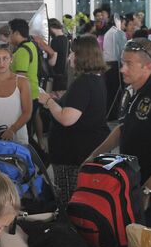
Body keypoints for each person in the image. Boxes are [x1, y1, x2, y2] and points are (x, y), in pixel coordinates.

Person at [88, 39, 151, 228]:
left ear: (147, 66)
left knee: (149, 241)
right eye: (123, 63)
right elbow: (123, 128)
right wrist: (94, 155)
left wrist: (147, 190)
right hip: (133, 181)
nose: (122, 69)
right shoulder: (133, 92)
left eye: (128, 64)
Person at [38, 36, 109, 206]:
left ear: (82, 56)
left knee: (71, 200)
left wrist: (48, 101)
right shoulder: (96, 79)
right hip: (82, 150)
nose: (69, 56)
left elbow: (67, 119)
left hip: (73, 154)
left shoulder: (83, 83)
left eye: (72, 52)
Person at [8, 19, 43, 141]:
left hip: (25, 95)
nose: (9, 36)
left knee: (25, 132)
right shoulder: (31, 44)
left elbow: (21, 77)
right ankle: (40, 146)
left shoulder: (22, 51)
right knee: (32, 123)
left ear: (17, 33)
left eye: (10, 32)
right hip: (33, 91)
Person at [47, 18, 71, 91]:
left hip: (56, 77)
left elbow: (52, 63)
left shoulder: (55, 41)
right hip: (65, 77)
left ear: (51, 28)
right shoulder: (66, 40)